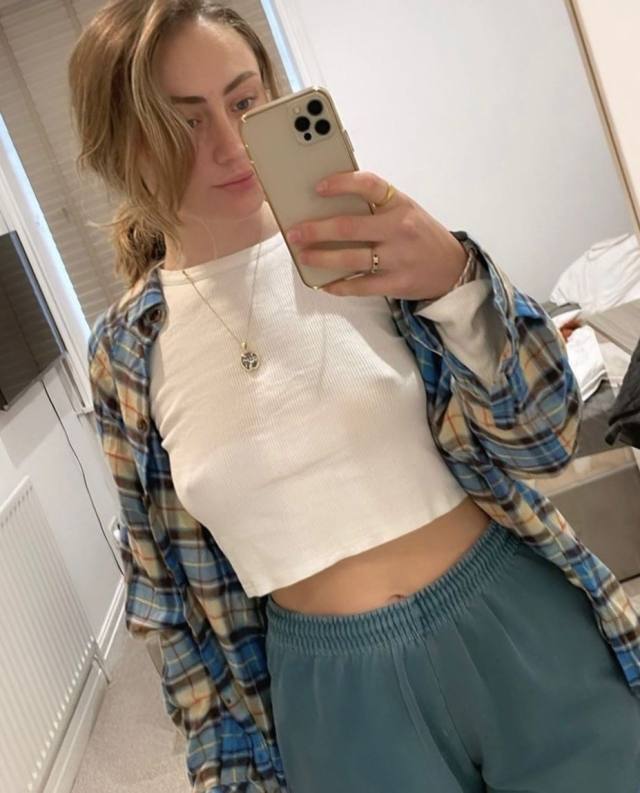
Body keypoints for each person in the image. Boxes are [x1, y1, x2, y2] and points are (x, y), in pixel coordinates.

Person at [68, 1, 640, 791]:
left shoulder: (373, 242)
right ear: (121, 144)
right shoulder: (128, 353)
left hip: (518, 617)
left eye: (244, 101)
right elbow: (169, 601)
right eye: (185, 121)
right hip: (335, 700)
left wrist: (457, 281)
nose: (231, 145)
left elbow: (544, 438)